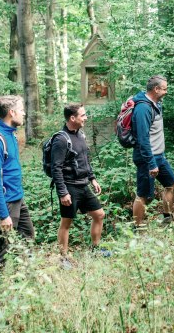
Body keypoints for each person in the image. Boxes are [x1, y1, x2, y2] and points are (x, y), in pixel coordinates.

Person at [0, 95, 34, 297]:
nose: (24, 113)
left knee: (27, 238)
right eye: (21, 109)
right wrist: (3, 215)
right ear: (11, 112)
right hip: (5, 203)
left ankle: (24, 285)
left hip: (17, 199)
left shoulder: (10, 134)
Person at [51, 103, 105, 263]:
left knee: (99, 214)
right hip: (69, 186)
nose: (86, 118)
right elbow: (56, 168)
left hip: (83, 184)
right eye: (83, 115)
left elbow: (84, 160)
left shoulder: (80, 135)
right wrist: (62, 192)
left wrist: (92, 178)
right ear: (72, 118)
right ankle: (63, 259)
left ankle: (95, 249)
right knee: (66, 223)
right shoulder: (61, 140)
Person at [132, 75, 174, 228]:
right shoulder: (143, 108)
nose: (166, 92)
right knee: (144, 194)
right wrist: (151, 163)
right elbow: (142, 139)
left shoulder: (156, 104)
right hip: (147, 158)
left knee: (171, 183)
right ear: (156, 89)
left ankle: (167, 219)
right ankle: (137, 228)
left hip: (159, 156)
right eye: (164, 89)